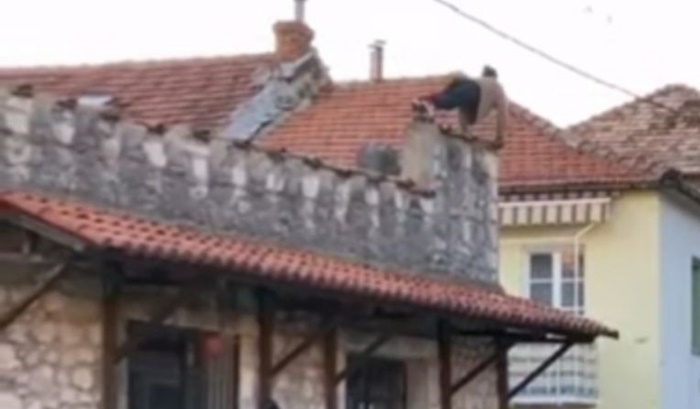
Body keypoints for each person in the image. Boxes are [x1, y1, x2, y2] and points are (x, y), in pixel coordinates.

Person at [412, 65, 508, 147]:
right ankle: (426, 102)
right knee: (448, 101)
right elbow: (502, 115)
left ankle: (423, 102)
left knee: (446, 99)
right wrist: (499, 138)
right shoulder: (498, 88)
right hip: (471, 89)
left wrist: (466, 133)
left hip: (460, 82)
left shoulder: (480, 83)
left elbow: (464, 110)